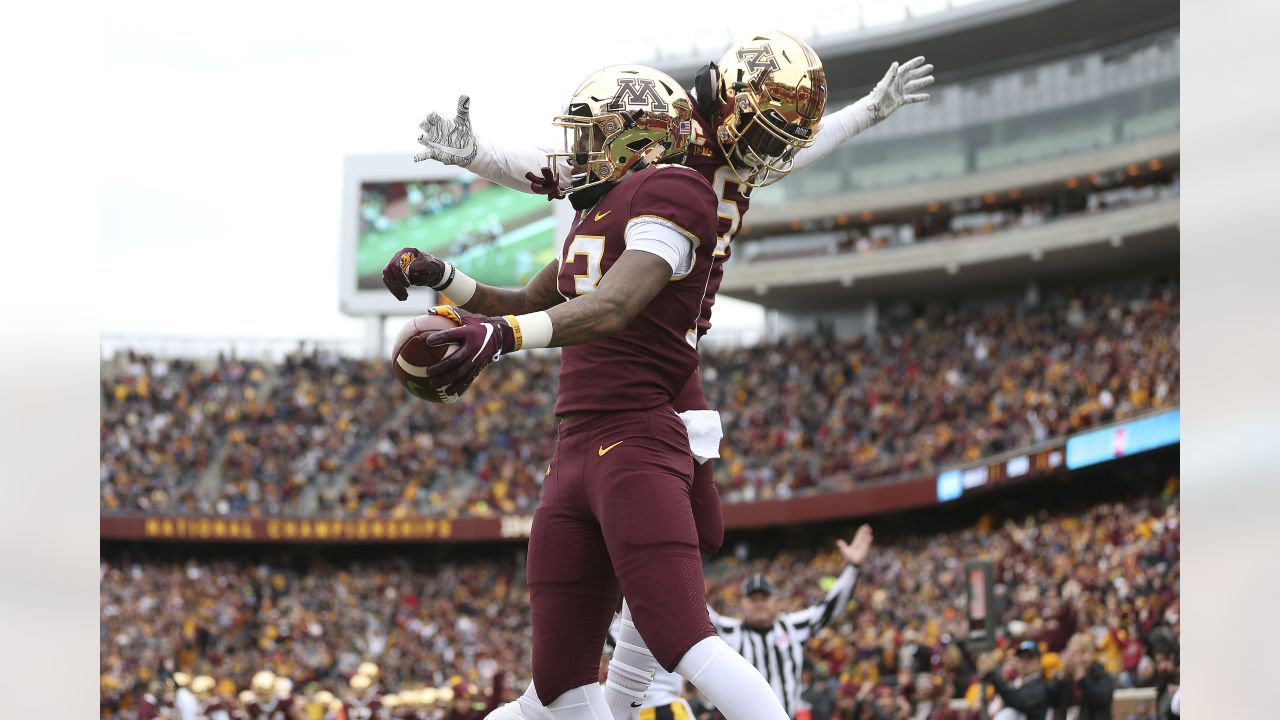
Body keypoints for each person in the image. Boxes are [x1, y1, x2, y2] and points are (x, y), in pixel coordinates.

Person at [402, 30, 931, 720]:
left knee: (682, 557)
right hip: (642, 358)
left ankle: (629, 698)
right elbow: (559, 171)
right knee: (645, 576)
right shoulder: (662, 162)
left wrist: (865, 113)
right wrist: (477, 160)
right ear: (728, 105)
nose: (772, 155)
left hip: (661, 356)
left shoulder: (686, 174)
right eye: (764, 133)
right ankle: (626, 700)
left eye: (779, 139)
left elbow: (800, 146)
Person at [389, 63, 791, 720]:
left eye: (592, 135)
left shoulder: (677, 190)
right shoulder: (594, 214)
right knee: (555, 687)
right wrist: (446, 277)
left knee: (684, 638)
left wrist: (504, 336)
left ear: (640, 140)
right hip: (574, 444)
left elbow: (615, 305)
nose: (577, 151)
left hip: (636, 436)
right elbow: (521, 301)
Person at [703, 526, 872, 717]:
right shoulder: (728, 631)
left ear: (776, 602)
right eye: (753, 599)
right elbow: (697, 607)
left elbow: (828, 607)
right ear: (742, 603)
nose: (759, 604)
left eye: (764, 598)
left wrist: (853, 568)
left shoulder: (793, 628)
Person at [976, 642, 1052, 720]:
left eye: (1028, 658)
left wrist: (993, 674)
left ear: (1038, 662)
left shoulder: (1042, 687)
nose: (1023, 663)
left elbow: (1018, 701)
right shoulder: (1016, 683)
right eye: (1020, 658)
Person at [1053, 633, 1113, 720]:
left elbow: (1101, 700)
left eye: (1083, 652)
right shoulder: (1064, 676)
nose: (1078, 658)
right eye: (1074, 653)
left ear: (1092, 654)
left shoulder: (1102, 676)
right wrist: (1061, 677)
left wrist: (1082, 680)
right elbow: (1051, 700)